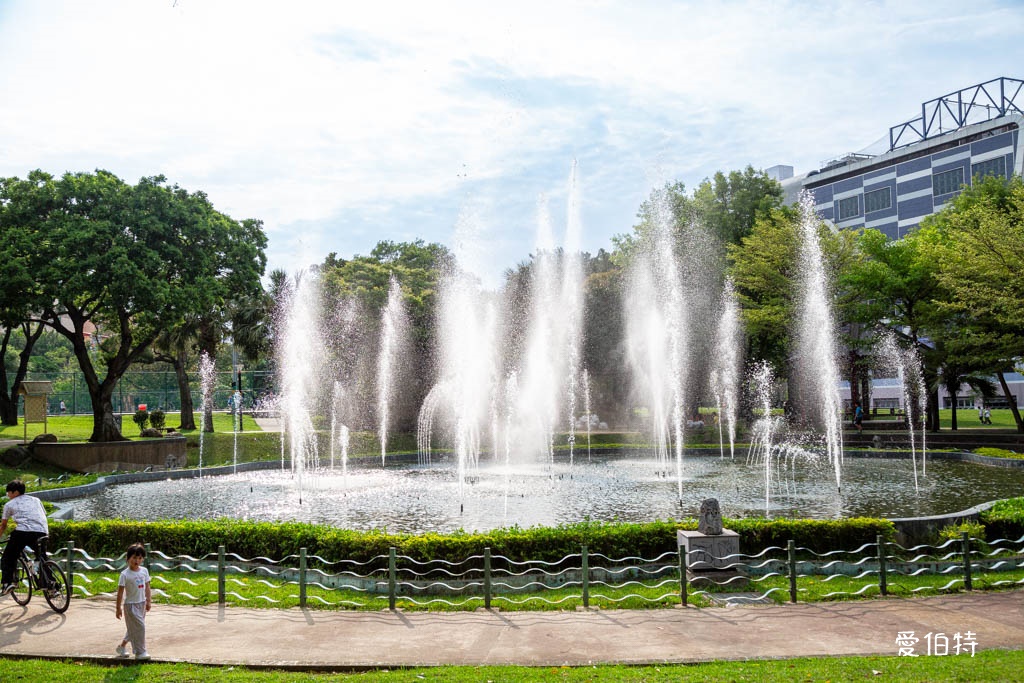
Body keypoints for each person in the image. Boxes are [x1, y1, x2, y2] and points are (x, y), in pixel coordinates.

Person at [0, 479, 50, 595]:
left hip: (23, 533)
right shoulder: (36, 500)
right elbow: (42, 516)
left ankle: (8, 583)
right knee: (42, 558)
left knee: (8, 557)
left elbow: (3, 525)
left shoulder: (9, 504)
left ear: (15, 492)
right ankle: (52, 586)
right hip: (42, 531)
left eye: (9, 492)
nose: (8, 495)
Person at [115, 542, 152, 660]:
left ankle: (122, 647)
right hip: (130, 606)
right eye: (134, 557)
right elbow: (120, 592)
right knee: (140, 627)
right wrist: (118, 608)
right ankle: (140, 652)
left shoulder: (144, 571)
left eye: (140, 558)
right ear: (128, 558)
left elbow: (147, 587)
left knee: (134, 628)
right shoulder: (124, 574)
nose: (137, 560)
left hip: (141, 604)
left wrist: (148, 601)